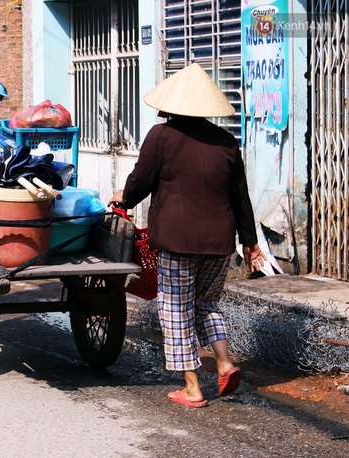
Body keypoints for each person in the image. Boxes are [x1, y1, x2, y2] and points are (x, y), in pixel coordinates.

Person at [107, 62, 267, 408]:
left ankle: (193, 388)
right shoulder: (226, 142)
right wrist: (250, 242)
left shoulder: (161, 136)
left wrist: (124, 196)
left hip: (178, 243)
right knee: (206, 305)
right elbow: (242, 197)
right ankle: (224, 363)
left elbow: (140, 181)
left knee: (176, 309)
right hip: (220, 243)